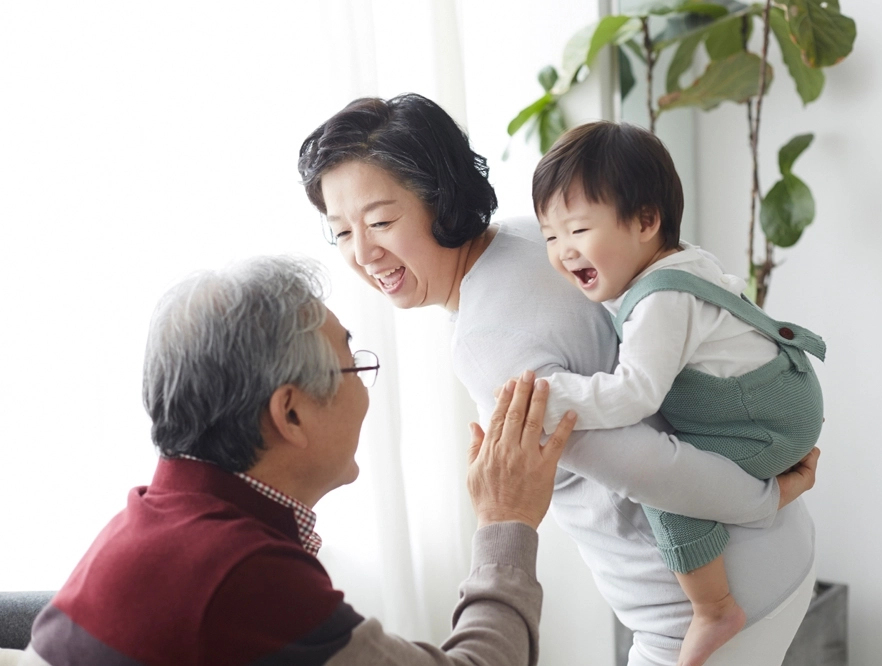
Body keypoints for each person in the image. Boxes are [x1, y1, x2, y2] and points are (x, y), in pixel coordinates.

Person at [298, 93, 821, 666]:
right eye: (341, 232)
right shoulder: (533, 240)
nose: (364, 252)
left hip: (709, 609)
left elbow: (647, 464)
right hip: (771, 559)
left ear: (440, 199)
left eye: (380, 221)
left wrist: (764, 498)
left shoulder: (487, 342)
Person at [19, 256, 576, 666]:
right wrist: (505, 522)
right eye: (353, 365)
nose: (366, 387)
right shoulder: (240, 576)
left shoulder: (146, 523)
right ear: (290, 414)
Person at [531, 121, 826, 666]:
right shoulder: (673, 261)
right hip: (773, 396)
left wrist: (553, 394)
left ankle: (715, 609)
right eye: (550, 237)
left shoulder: (660, 302)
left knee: (669, 490)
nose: (562, 252)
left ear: (646, 221)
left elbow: (635, 394)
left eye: (576, 230)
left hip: (763, 420)